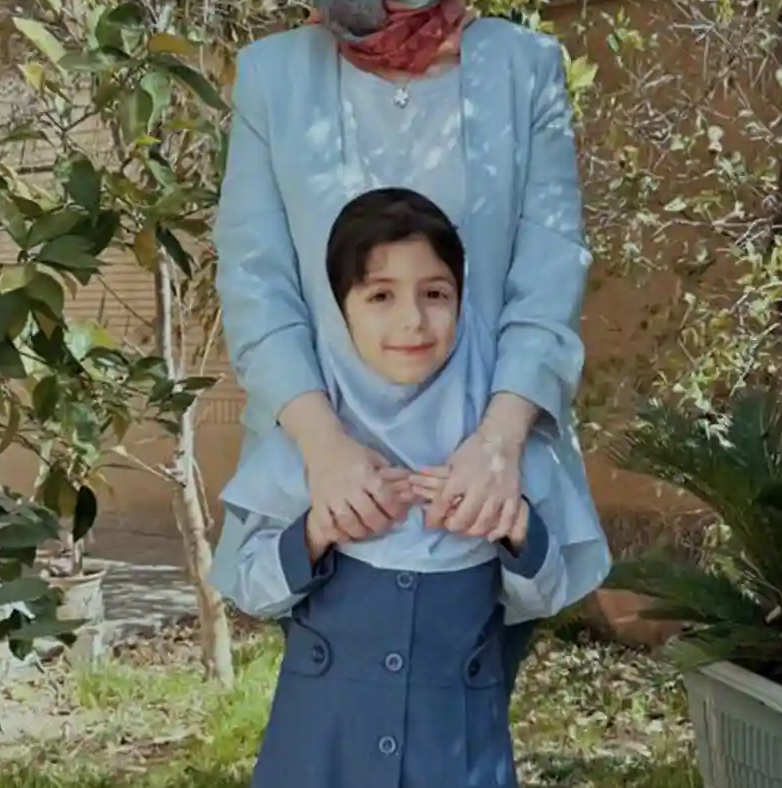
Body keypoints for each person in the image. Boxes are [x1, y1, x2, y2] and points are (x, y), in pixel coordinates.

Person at [210, 0, 604, 694]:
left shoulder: (524, 70)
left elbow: (548, 275)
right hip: (328, 499)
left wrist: (498, 448)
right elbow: (256, 284)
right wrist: (325, 452)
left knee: (463, 737)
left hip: (486, 502)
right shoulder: (273, 77)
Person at [218, 188, 609, 788]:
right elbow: (251, 587)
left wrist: (515, 529)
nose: (412, 320)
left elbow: (547, 592)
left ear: (462, 301)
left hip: (457, 761)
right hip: (320, 760)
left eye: (435, 294)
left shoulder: (497, 450)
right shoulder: (312, 446)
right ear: (340, 309)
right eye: (380, 295)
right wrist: (316, 532)